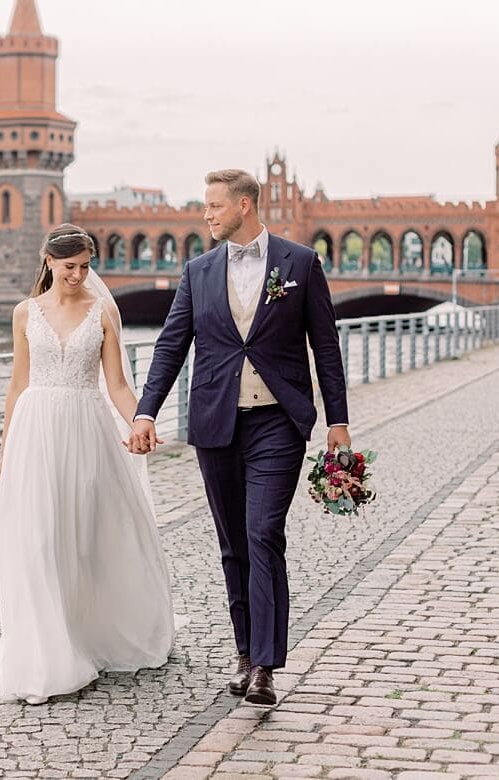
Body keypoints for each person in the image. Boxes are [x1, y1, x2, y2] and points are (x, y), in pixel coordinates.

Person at [129, 169, 350, 706]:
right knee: (233, 546)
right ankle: (246, 655)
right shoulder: (197, 271)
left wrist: (337, 422)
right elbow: (170, 346)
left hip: (278, 421)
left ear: (245, 205)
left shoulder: (300, 263)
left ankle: (267, 669)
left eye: (213, 206)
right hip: (216, 424)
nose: (205, 215)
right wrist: (145, 412)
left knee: (262, 533)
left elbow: (325, 346)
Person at [0, 223, 176, 705]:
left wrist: (140, 421)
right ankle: (47, 650)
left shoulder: (103, 311)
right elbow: (17, 385)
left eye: (86, 267)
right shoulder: (25, 313)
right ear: (49, 262)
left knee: (87, 534)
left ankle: (88, 632)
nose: (78, 276)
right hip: (36, 431)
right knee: (39, 538)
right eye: (70, 267)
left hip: (87, 427)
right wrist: (5, 453)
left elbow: (115, 384)